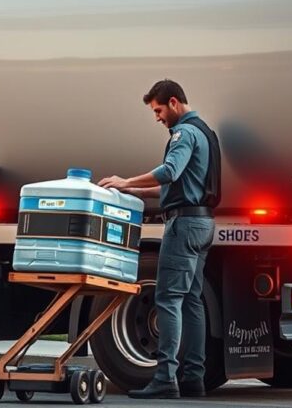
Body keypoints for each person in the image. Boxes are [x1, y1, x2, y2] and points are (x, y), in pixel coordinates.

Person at [98, 79, 221, 400]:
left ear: (174, 103)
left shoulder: (184, 133)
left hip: (183, 226)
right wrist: (129, 189)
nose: (157, 117)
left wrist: (126, 179)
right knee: (192, 300)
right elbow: (174, 184)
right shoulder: (205, 132)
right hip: (203, 223)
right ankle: (194, 377)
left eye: (158, 110)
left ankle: (165, 377)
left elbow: (169, 171)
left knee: (167, 300)